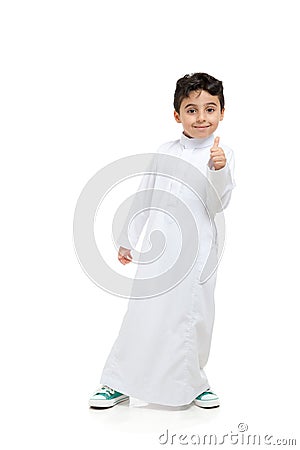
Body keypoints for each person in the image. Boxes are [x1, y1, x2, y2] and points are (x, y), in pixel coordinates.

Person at [89, 72, 236, 409]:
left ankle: (194, 382)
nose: (201, 118)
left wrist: (219, 170)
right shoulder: (164, 151)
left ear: (222, 113)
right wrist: (128, 240)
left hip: (198, 252)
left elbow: (218, 203)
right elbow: (146, 195)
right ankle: (119, 381)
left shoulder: (221, 153)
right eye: (192, 110)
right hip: (160, 249)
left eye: (210, 109)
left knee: (193, 313)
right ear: (177, 115)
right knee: (143, 312)